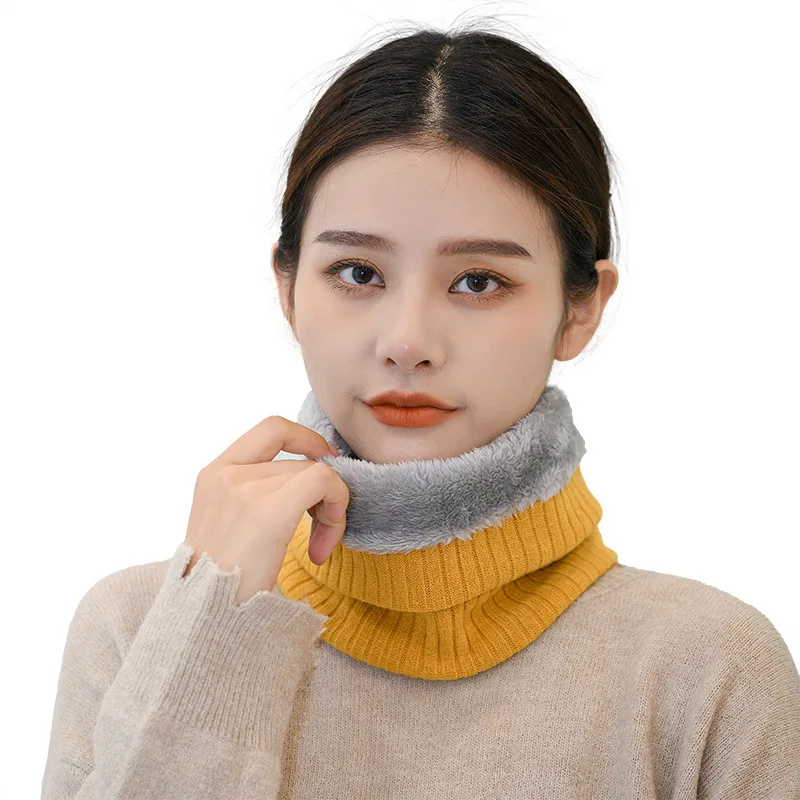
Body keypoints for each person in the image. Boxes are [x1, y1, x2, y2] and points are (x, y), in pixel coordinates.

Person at [40, 22, 800, 799]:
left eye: (478, 282)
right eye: (357, 272)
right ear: (287, 289)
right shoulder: (137, 631)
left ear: (581, 309)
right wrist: (208, 639)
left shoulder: (708, 673)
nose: (407, 342)